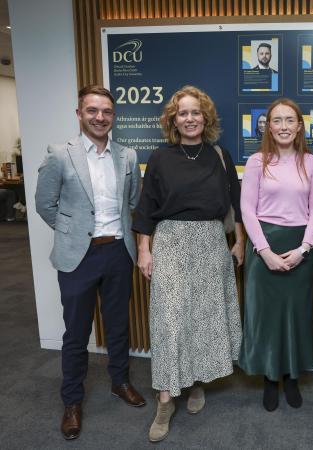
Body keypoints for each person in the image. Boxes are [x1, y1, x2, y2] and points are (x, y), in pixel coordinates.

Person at [133, 86, 244, 442]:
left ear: (206, 117)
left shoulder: (220, 155)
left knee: (203, 317)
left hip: (212, 242)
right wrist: (144, 250)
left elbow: (236, 203)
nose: (190, 118)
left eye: (196, 112)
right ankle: (165, 400)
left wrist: (239, 242)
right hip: (171, 243)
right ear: (173, 120)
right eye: (183, 113)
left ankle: (196, 382)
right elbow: (146, 206)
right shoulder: (161, 158)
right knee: (169, 321)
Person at [35, 85, 144, 440]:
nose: (100, 117)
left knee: (117, 326)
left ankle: (120, 381)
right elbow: (44, 204)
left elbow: (134, 202)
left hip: (117, 253)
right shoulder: (59, 155)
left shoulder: (127, 157)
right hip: (77, 257)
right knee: (76, 333)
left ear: (114, 117)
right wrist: (72, 232)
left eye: (107, 112)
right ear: (79, 113)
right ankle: (72, 401)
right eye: (93, 110)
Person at [239, 98, 313, 412]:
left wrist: (304, 248)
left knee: (295, 315)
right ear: (269, 126)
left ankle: (291, 378)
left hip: (300, 247)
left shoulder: (311, 163)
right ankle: (270, 380)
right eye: (278, 120)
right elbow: (247, 210)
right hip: (265, 244)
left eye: (290, 120)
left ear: (299, 125)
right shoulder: (256, 161)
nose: (284, 126)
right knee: (267, 318)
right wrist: (264, 251)